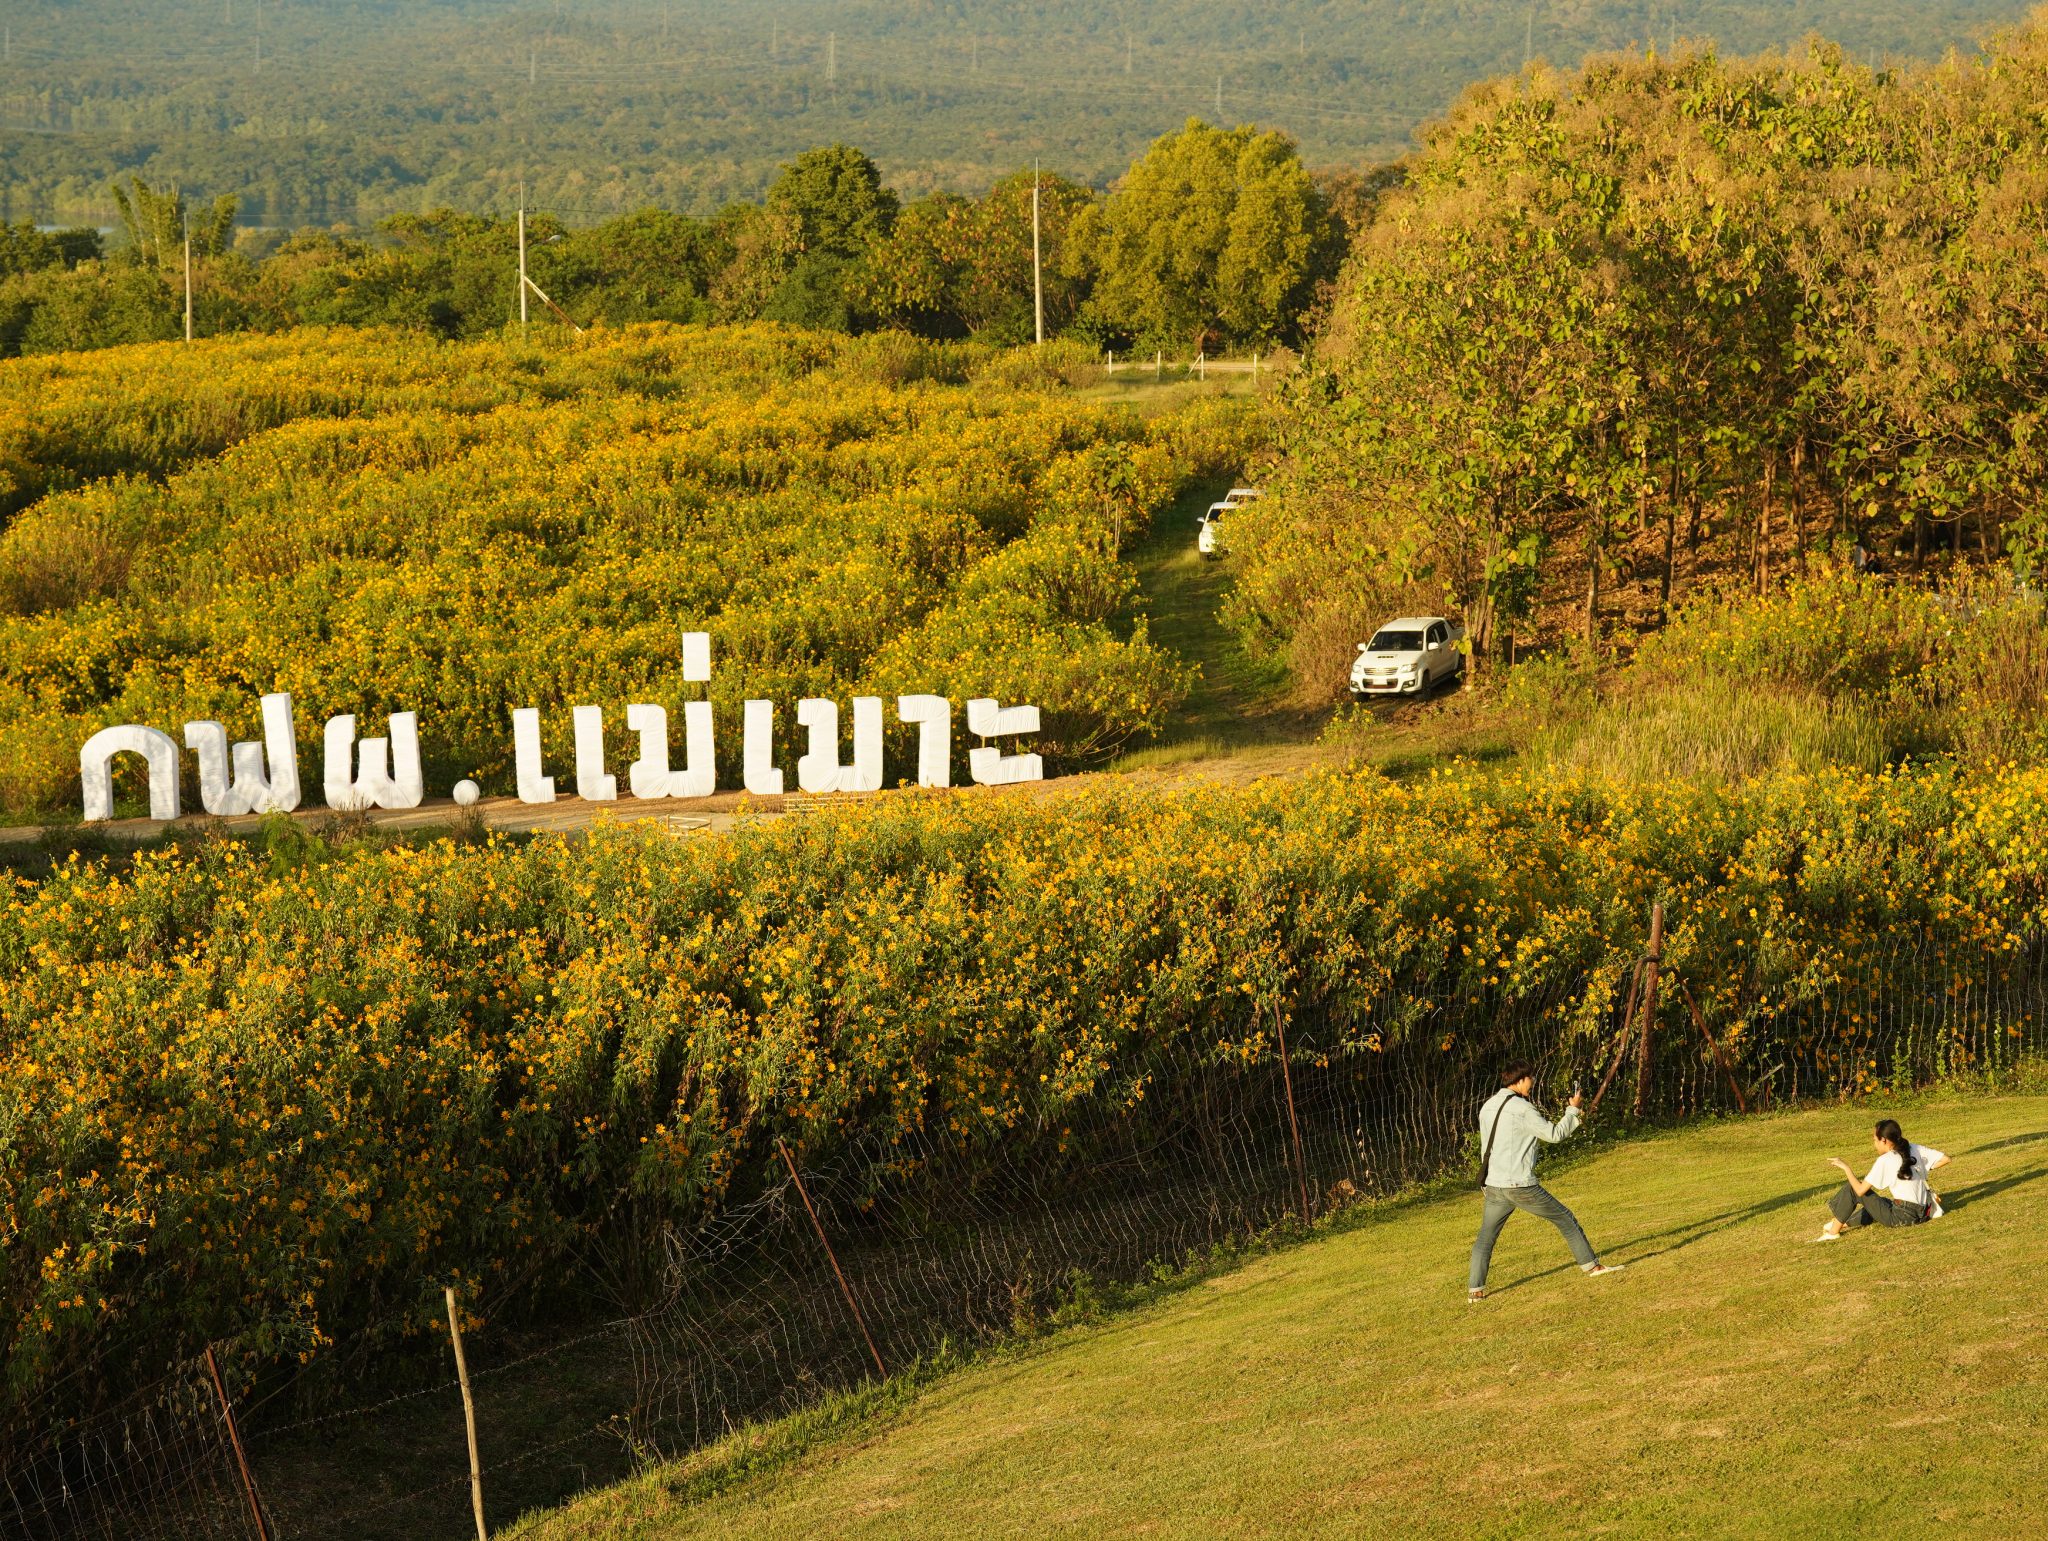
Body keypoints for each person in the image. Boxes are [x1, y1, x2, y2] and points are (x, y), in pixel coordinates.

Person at [1468, 1061, 1624, 1302]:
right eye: (1530, 1078)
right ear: (1520, 1081)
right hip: (1520, 1184)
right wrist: (1572, 1111)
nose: (1533, 1082)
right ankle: (1593, 1267)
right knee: (1565, 1218)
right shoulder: (1522, 1108)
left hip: (1495, 1185)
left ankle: (1475, 1291)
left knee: (1485, 1238)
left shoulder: (1488, 1106)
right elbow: (1554, 1135)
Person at [1813, 1118, 1950, 1241]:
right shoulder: (1913, 1148)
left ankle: (1832, 1233)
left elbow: (1860, 1191)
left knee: (1852, 1189)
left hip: (1902, 1217)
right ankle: (1843, 1223)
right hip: (1924, 1212)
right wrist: (1922, 1169)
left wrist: (1846, 1168)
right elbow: (1945, 1159)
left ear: (1883, 1140)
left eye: (1874, 1139)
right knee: (1881, 1202)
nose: (1874, 1144)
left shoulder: (1885, 1160)